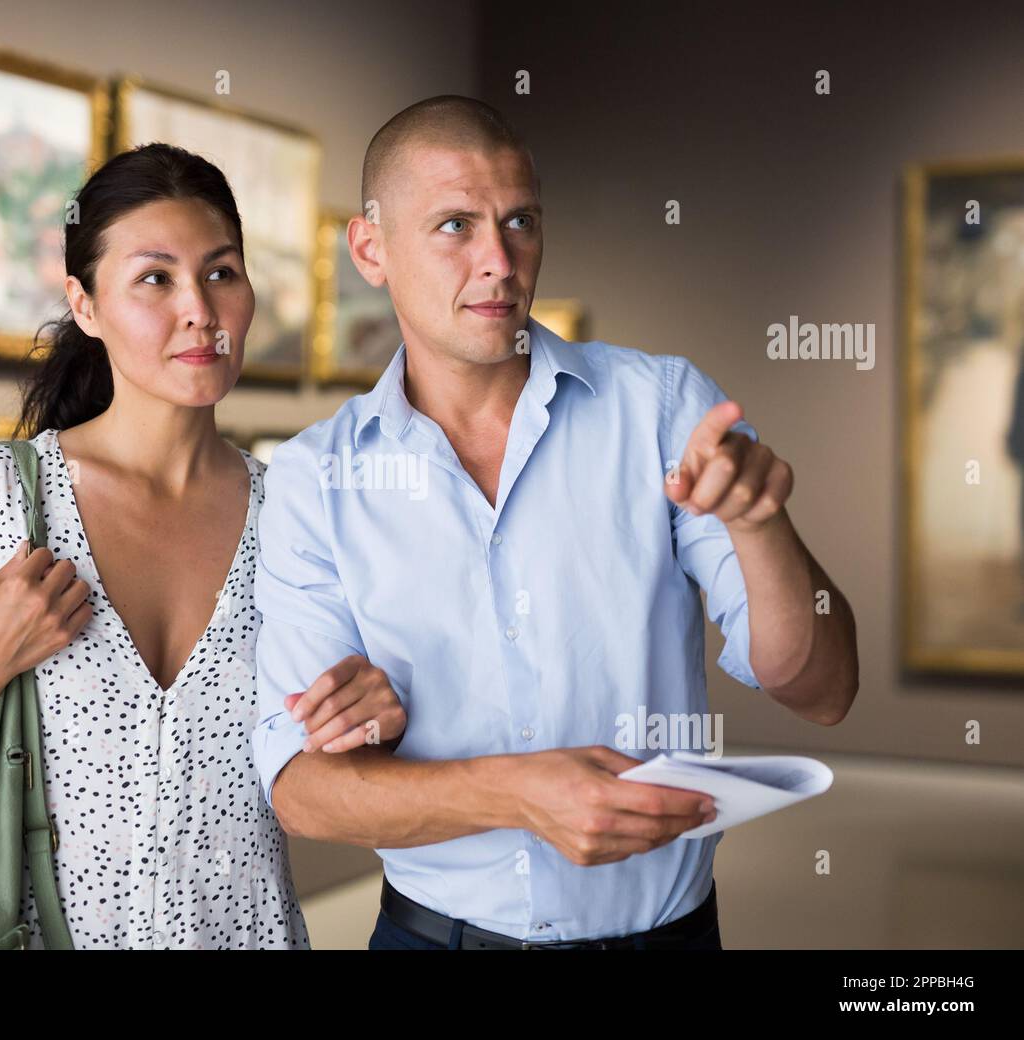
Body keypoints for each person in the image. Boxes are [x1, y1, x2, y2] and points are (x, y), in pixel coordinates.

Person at [251, 96, 859, 950]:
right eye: (456, 225)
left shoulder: (661, 407)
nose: (499, 262)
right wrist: (514, 793)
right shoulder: (315, 477)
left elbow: (822, 692)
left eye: (521, 222)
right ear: (370, 250)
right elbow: (304, 792)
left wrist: (762, 529)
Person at [0, 143, 405, 949]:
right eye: (156, 278)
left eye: (222, 272)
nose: (200, 310)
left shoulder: (297, 511)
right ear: (85, 305)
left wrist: (376, 721)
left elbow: (329, 772)